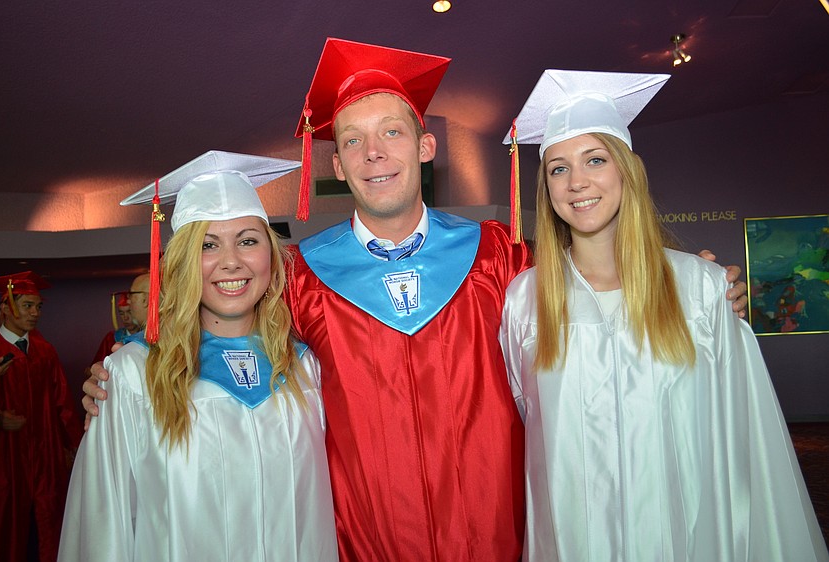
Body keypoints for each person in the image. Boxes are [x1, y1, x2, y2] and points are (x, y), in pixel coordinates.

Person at [84, 39, 748, 561]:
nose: (374, 153)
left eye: (392, 133)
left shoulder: (499, 256)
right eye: (353, 140)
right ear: (336, 166)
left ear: (426, 147)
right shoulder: (300, 277)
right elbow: (225, 336)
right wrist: (127, 375)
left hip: (500, 540)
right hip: (363, 545)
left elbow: (595, 296)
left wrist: (691, 285)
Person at [499, 69, 829, 561]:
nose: (577, 182)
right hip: (572, 540)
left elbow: (746, 437)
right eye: (558, 169)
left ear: (628, 171)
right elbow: (529, 423)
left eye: (595, 159)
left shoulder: (701, 290)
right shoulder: (525, 301)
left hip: (685, 538)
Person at [59, 151, 338, 561]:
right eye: (208, 245)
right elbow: (103, 525)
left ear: (271, 255)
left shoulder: (304, 368)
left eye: (248, 240)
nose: (231, 262)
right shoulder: (133, 374)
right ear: (182, 262)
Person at [0, 271, 83, 562]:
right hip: (2, 455)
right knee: (5, 524)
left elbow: (63, 402)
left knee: (47, 523)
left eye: (38, 306)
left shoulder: (45, 351)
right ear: (6, 307)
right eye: (27, 305)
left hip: (44, 453)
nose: (35, 313)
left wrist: (75, 446)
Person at [88, 290, 140, 367]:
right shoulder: (111, 338)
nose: (125, 318)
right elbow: (98, 364)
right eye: (121, 313)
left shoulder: (147, 337)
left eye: (129, 312)